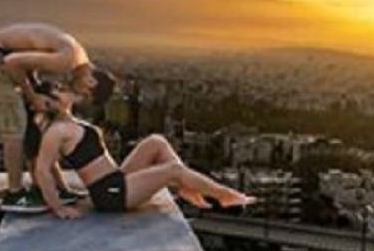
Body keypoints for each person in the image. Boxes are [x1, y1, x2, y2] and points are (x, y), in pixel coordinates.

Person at [28, 80, 255, 219]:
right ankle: (225, 195)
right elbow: (42, 169)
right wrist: (58, 208)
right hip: (110, 195)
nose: (65, 88)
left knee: (155, 141)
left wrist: (67, 190)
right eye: (58, 89)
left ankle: (186, 188)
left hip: (115, 180)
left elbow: (54, 168)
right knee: (173, 170)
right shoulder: (56, 131)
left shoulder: (71, 122)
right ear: (53, 101)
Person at [0, 24, 116, 214]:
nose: (78, 93)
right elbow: (12, 62)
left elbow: (26, 61)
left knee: (29, 124)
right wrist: (33, 97)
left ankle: (51, 188)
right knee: (15, 127)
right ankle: (14, 194)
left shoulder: (77, 57)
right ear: (91, 82)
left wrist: (37, 92)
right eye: (85, 94)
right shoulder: (67, 60)